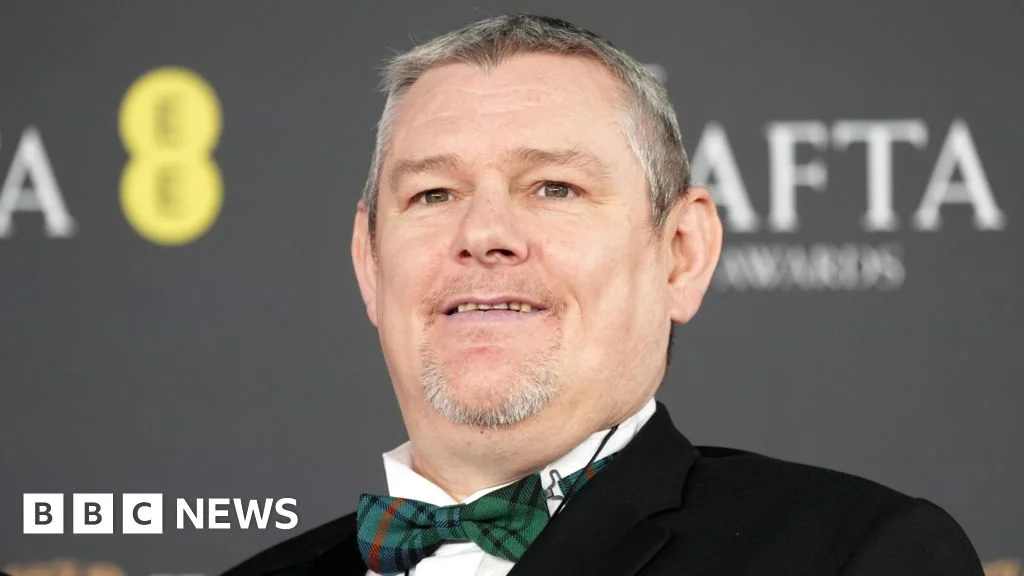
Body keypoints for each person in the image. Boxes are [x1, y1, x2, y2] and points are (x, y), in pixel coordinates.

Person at [223, 13, 984, 576]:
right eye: (433, 193)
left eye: (554, 187)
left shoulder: (853, 554)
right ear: (370, 263)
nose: (484, 233)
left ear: (681, 254)